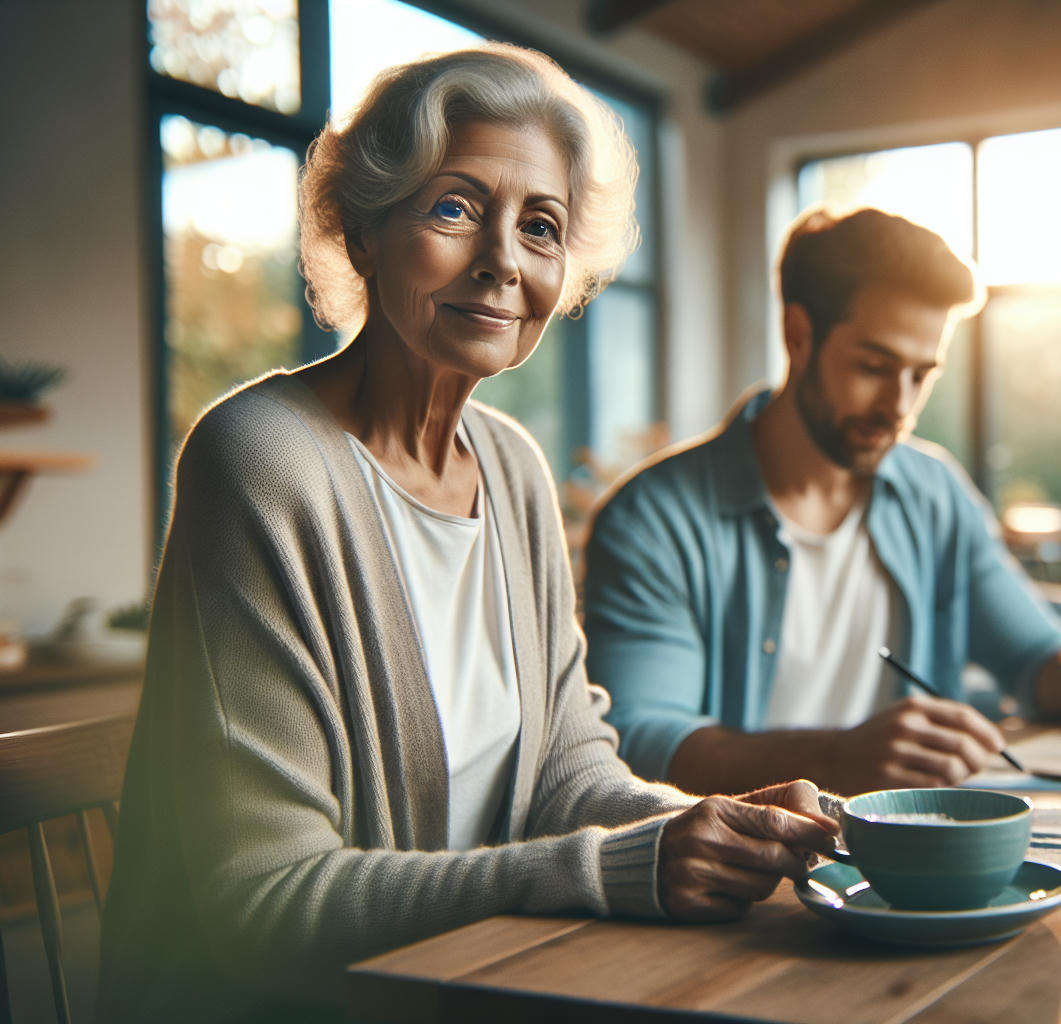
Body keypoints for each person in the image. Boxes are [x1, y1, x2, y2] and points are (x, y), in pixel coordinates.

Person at [98, 45, 835, 1023]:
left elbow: (570, 773)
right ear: (363, 231)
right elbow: (263, 897)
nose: (500, 260)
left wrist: (708, 826)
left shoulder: (515, 470)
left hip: (483, 982)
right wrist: (618, 867)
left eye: (540, 226)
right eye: (452, 207)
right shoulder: (261, 458)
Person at [582, 207, 1061, 797]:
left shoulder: (933, 492)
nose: (899, 406)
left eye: (921, 374)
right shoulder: (652, 521)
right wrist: (833, 758)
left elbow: (1037, 652)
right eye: (875, 366)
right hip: (736, 871)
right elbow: (638, 737)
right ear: (798, 336)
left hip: (904, 864)